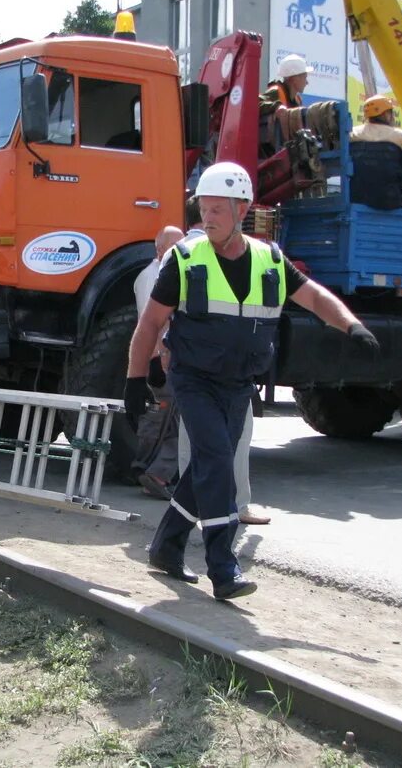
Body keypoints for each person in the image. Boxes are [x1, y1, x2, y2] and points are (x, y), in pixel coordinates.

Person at [124, 162, 379, 601]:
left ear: (242, 208)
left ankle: (166, 546)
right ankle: (223, 568)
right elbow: (150, 324)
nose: (208, 218)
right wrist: (135, 379)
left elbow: (314, 297)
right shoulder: (185, 259)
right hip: (194, 380)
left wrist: (352, 326)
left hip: (239, 385)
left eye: (218, 210)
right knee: (219, 462)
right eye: (204, 209)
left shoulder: (270, 261)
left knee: (206, 466)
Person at [176, 199, 270, 525]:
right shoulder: (210, 254)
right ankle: (231, 507)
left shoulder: (179, 253)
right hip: (223, 370)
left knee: (196, 443)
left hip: (195, 369)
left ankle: (195, 511)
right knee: (231, 441)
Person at [131, 225, 185, 499]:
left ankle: (147, 470)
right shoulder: (159, 276)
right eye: (175, 245)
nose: (181, 250)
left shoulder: (148, 275)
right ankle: (158, 473)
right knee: (177, 421)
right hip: (165, 358)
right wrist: (157, 359)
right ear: (160, 249)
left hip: (160, 357)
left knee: (161, 420)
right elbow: (153, 322)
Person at [348, 94, 402, 210]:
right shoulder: (400, 137)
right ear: (385, 114)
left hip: (356, 199)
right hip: (390, 202)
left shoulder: (352, 134)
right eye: (391, 113)